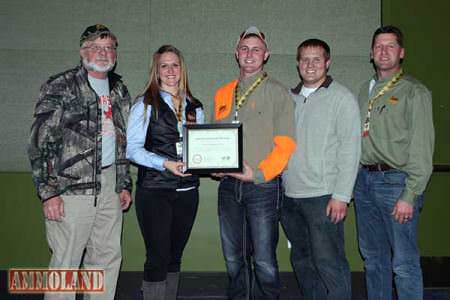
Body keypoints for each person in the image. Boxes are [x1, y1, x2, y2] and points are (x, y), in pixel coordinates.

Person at [28, 24, 132, 299]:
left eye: (109, 47)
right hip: (70, 188)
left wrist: (124, 183)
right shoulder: (60, 85)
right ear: (83, 50)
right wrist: (48, 192)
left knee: (107, 258)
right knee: (66, 263)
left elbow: (122, 141)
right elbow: (40, 142)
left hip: (109, 184)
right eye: (96, 47)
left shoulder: (119, 89)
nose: (103, 52)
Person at [213, 26, 296, 299]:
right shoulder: (223, 93)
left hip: (263, 187)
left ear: (266, 55)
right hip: (228, 187)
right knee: (234, 259)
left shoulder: (278, 92)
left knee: (263, 261)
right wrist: (213, 164)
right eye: (244, 49)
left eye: (256, 49)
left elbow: (286, 145)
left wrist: (257, 174)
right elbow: (216, 139)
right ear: (236, 54)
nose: (250, 54)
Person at [354, 25, 434, 300]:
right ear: (371, 53)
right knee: (374, 259)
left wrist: (410, 195)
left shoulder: (415, 92)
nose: (383, 51)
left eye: (390, 46)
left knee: (404, 263)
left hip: (396, 184)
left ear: (402, 53)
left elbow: (423, 150)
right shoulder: (365, 89)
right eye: (378, 46)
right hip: (364, 183)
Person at [280, 38, 361, 300]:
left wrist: (341, 196)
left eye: (317, 59)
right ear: (297, 63)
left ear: (328, 62)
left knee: (330, 264)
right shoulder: (288, 98)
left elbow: (351, 150)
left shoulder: (342, 98)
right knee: (302, 261)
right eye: (305, 59)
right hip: (290, 197)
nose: (310, 65)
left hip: (324, 197)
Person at [126, 45, 204, 299]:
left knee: (175, 255)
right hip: (155, 190)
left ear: (182, 69)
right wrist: (165, 163)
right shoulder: (145, 104)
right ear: (156, 72)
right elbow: (132, 150)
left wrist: (215, 164)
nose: (170, 70)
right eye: (164, 66)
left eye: (175, 65)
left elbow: (202, 147)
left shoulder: (195, 106)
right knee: (158, 256)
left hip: (188, 191)